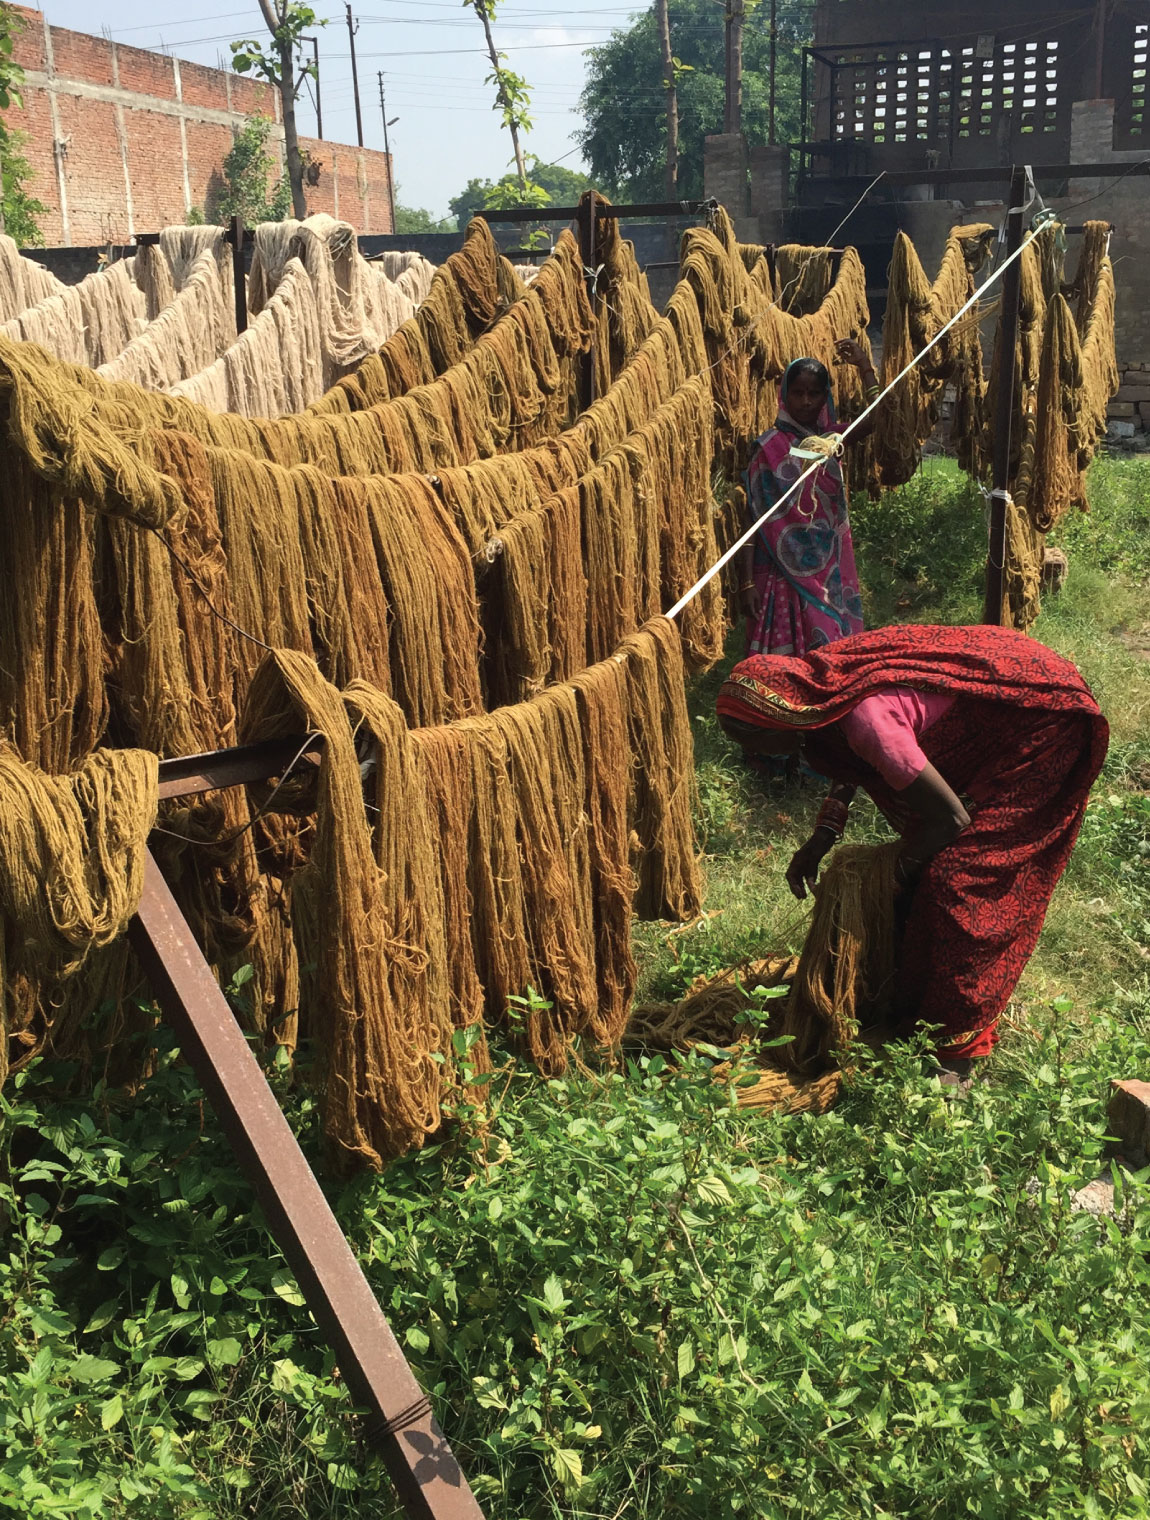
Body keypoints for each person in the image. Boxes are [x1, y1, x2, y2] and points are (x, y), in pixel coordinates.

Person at [716, 624, 1109, 1084]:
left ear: (779, 722)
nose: (754, 755)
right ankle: (907, 1001)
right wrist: (824, 835)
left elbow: (951, 819)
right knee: (925, 873)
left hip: (1044, 717)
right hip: (1000, 697)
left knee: (960, 881)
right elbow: (847, 754)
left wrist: (887, 876)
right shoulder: (821, 690)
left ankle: (957, 1048)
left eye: (754, 743)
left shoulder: (869, 722)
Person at [739, 341, 879, 660]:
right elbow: (752, 516)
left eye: (813, 393)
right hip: (774, 570)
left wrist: (866, 368)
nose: (805, 401)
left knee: (829, 655)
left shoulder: (830, 442)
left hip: (826, 572)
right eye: (798, 393)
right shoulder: (768, 447)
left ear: (824, 397)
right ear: (784, 396)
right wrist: (746, 582)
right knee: (776, 667)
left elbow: (876, 419)